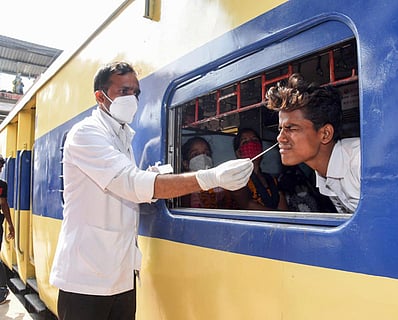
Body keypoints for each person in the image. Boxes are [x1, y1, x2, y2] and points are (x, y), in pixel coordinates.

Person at [49, 61, 253, 320]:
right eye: (124, 91)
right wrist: (209, 177)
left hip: (121, 275)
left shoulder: (123, 138)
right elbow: (131, 184)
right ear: (100, 97)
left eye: (136, 92)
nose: (132, 98)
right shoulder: (86, 134)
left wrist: (154, 177)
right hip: (86, 279)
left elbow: (128, 183)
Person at [266, 73, 360, 213]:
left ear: (325, 134)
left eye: (291, 128)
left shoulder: (359, 162)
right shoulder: (324, 175)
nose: (280, 138)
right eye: (280, 129)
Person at [231, 128, 288, 211]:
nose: (251, 143)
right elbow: (248, 206)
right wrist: (278, 216)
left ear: (261, 149)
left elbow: (284, 209)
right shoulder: (236, 179)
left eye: (255, 140)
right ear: (238, 153)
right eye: (245, 142)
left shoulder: (271, 179)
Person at [181, 136, 236, 209]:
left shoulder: (220, 186)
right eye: (195, 154)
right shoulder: (183, 188)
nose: (203, 157)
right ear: (186, 164)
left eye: (207, 153)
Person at [0, 155, 15, 305]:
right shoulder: (2, 185)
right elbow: (3, 204)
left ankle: (2, 289)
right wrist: (10, 224)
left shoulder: (2, 185)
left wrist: (10, 224)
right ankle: (2, 289)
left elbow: (4, 204)